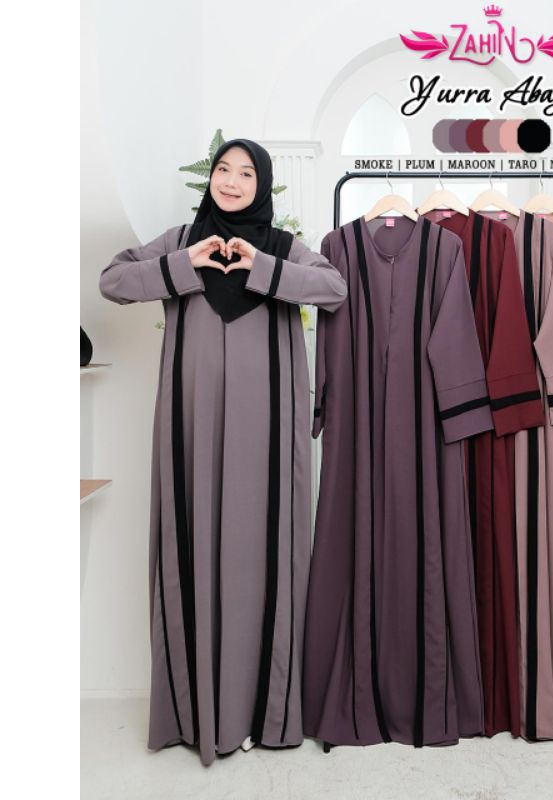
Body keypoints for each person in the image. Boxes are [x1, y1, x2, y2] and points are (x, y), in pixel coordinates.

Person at [99, 138, 347, 766]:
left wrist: (261, 268)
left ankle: (262, 713)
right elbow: (113, 280)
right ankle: (195, 713)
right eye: (223, 170)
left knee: (260, 553)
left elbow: (334, 289)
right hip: (191, 428)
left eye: (246, 174)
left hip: (268, 434)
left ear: (261, 185)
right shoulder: (183, 239)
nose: (231, 182)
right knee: (193, 545)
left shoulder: (283, 247)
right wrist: (186, 262)